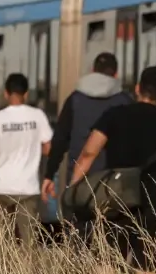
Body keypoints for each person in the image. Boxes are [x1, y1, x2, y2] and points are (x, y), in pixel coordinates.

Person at [70, 66, 156, 274]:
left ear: (137, 88)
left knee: (108, 263)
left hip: (116, 201)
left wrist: (74, 192)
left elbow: (88, 154)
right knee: (147, 270)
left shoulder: (114, 116)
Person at [41, 52, 131, 204]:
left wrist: (49, 175)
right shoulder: (125, 101)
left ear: (92, 71)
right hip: (113, 182)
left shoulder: (74, 99)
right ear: (116, 74)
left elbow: (60, 140)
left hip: (79, 180)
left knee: (79, 225)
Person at [0, 73, 52, 246]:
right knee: (28, 242)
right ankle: (25, 272)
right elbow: (47, 149)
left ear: (6, 93)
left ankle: (4, 273)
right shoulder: (38, 116)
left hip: (3, 187)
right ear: (26, 93)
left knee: (1, 242)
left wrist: (5, 150)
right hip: (28, 187)